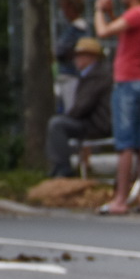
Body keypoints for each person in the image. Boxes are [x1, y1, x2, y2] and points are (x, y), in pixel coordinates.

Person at [93, 0, 140, 215]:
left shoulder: (136, 14)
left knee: (125, 143)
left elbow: (103, 32)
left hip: (128, 84)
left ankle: (120, 199)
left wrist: (99, 11)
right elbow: (124, 32)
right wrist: (112, 13)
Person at [44, 37, 111, 177]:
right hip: (94, 121)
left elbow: (84, 105)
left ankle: (63, 169)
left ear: (92, 57)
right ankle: (60, 167)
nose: (76, 60)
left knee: (57, 124)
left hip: (98, 123)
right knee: (59, 123)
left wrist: (68, 116)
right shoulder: (94, 73)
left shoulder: (97, 75)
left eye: (79, 56)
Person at [53, 0, 89, 113]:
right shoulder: (70, 28)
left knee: (70, 111)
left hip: (72, 74)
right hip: (65, 74)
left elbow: (63, 51)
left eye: (65, 8)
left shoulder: (78, 29)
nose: (63, 11)